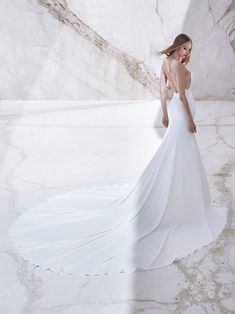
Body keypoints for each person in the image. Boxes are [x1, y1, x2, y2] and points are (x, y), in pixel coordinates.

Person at [9, 33, 227, 276]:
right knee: (176, 153)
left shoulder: (166, 63)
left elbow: (162, 91)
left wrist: (165, 113)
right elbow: (181, 95)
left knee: (176, 153)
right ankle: (177, 200)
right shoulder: (174, 64)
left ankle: (178, 194)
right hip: (182, 113)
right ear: (177, 46)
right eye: (184, 48)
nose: (187, 53)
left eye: (189, 49)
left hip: (174, 111)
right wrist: (189, 119)